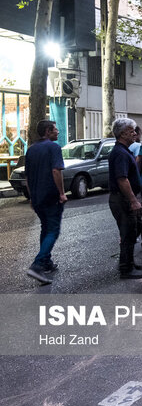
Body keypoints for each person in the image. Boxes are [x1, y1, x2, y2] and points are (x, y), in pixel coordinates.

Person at [24, 120, 67, 284]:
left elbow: (27, 176)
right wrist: (62, 193)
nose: (58, 132)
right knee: (53, 230)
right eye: (55, 129)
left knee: (45, 227)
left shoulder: (31, 149)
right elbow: (56, 170)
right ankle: (38, 264)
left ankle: (47, 261)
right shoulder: (54, 147)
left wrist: (31, 196)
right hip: (51, 196)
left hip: (37, 197)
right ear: (48, 131)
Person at [107, 118, 142, 279]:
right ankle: (126, 268)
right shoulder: (120, 153)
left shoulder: (124, 151)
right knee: (128, 232)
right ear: (123, 133)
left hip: (124, 199)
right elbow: (122, 179)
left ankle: (129, 261)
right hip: (122, 199)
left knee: (134, 229)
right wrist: (133, 200)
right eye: (132, 131)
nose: (135, 134)